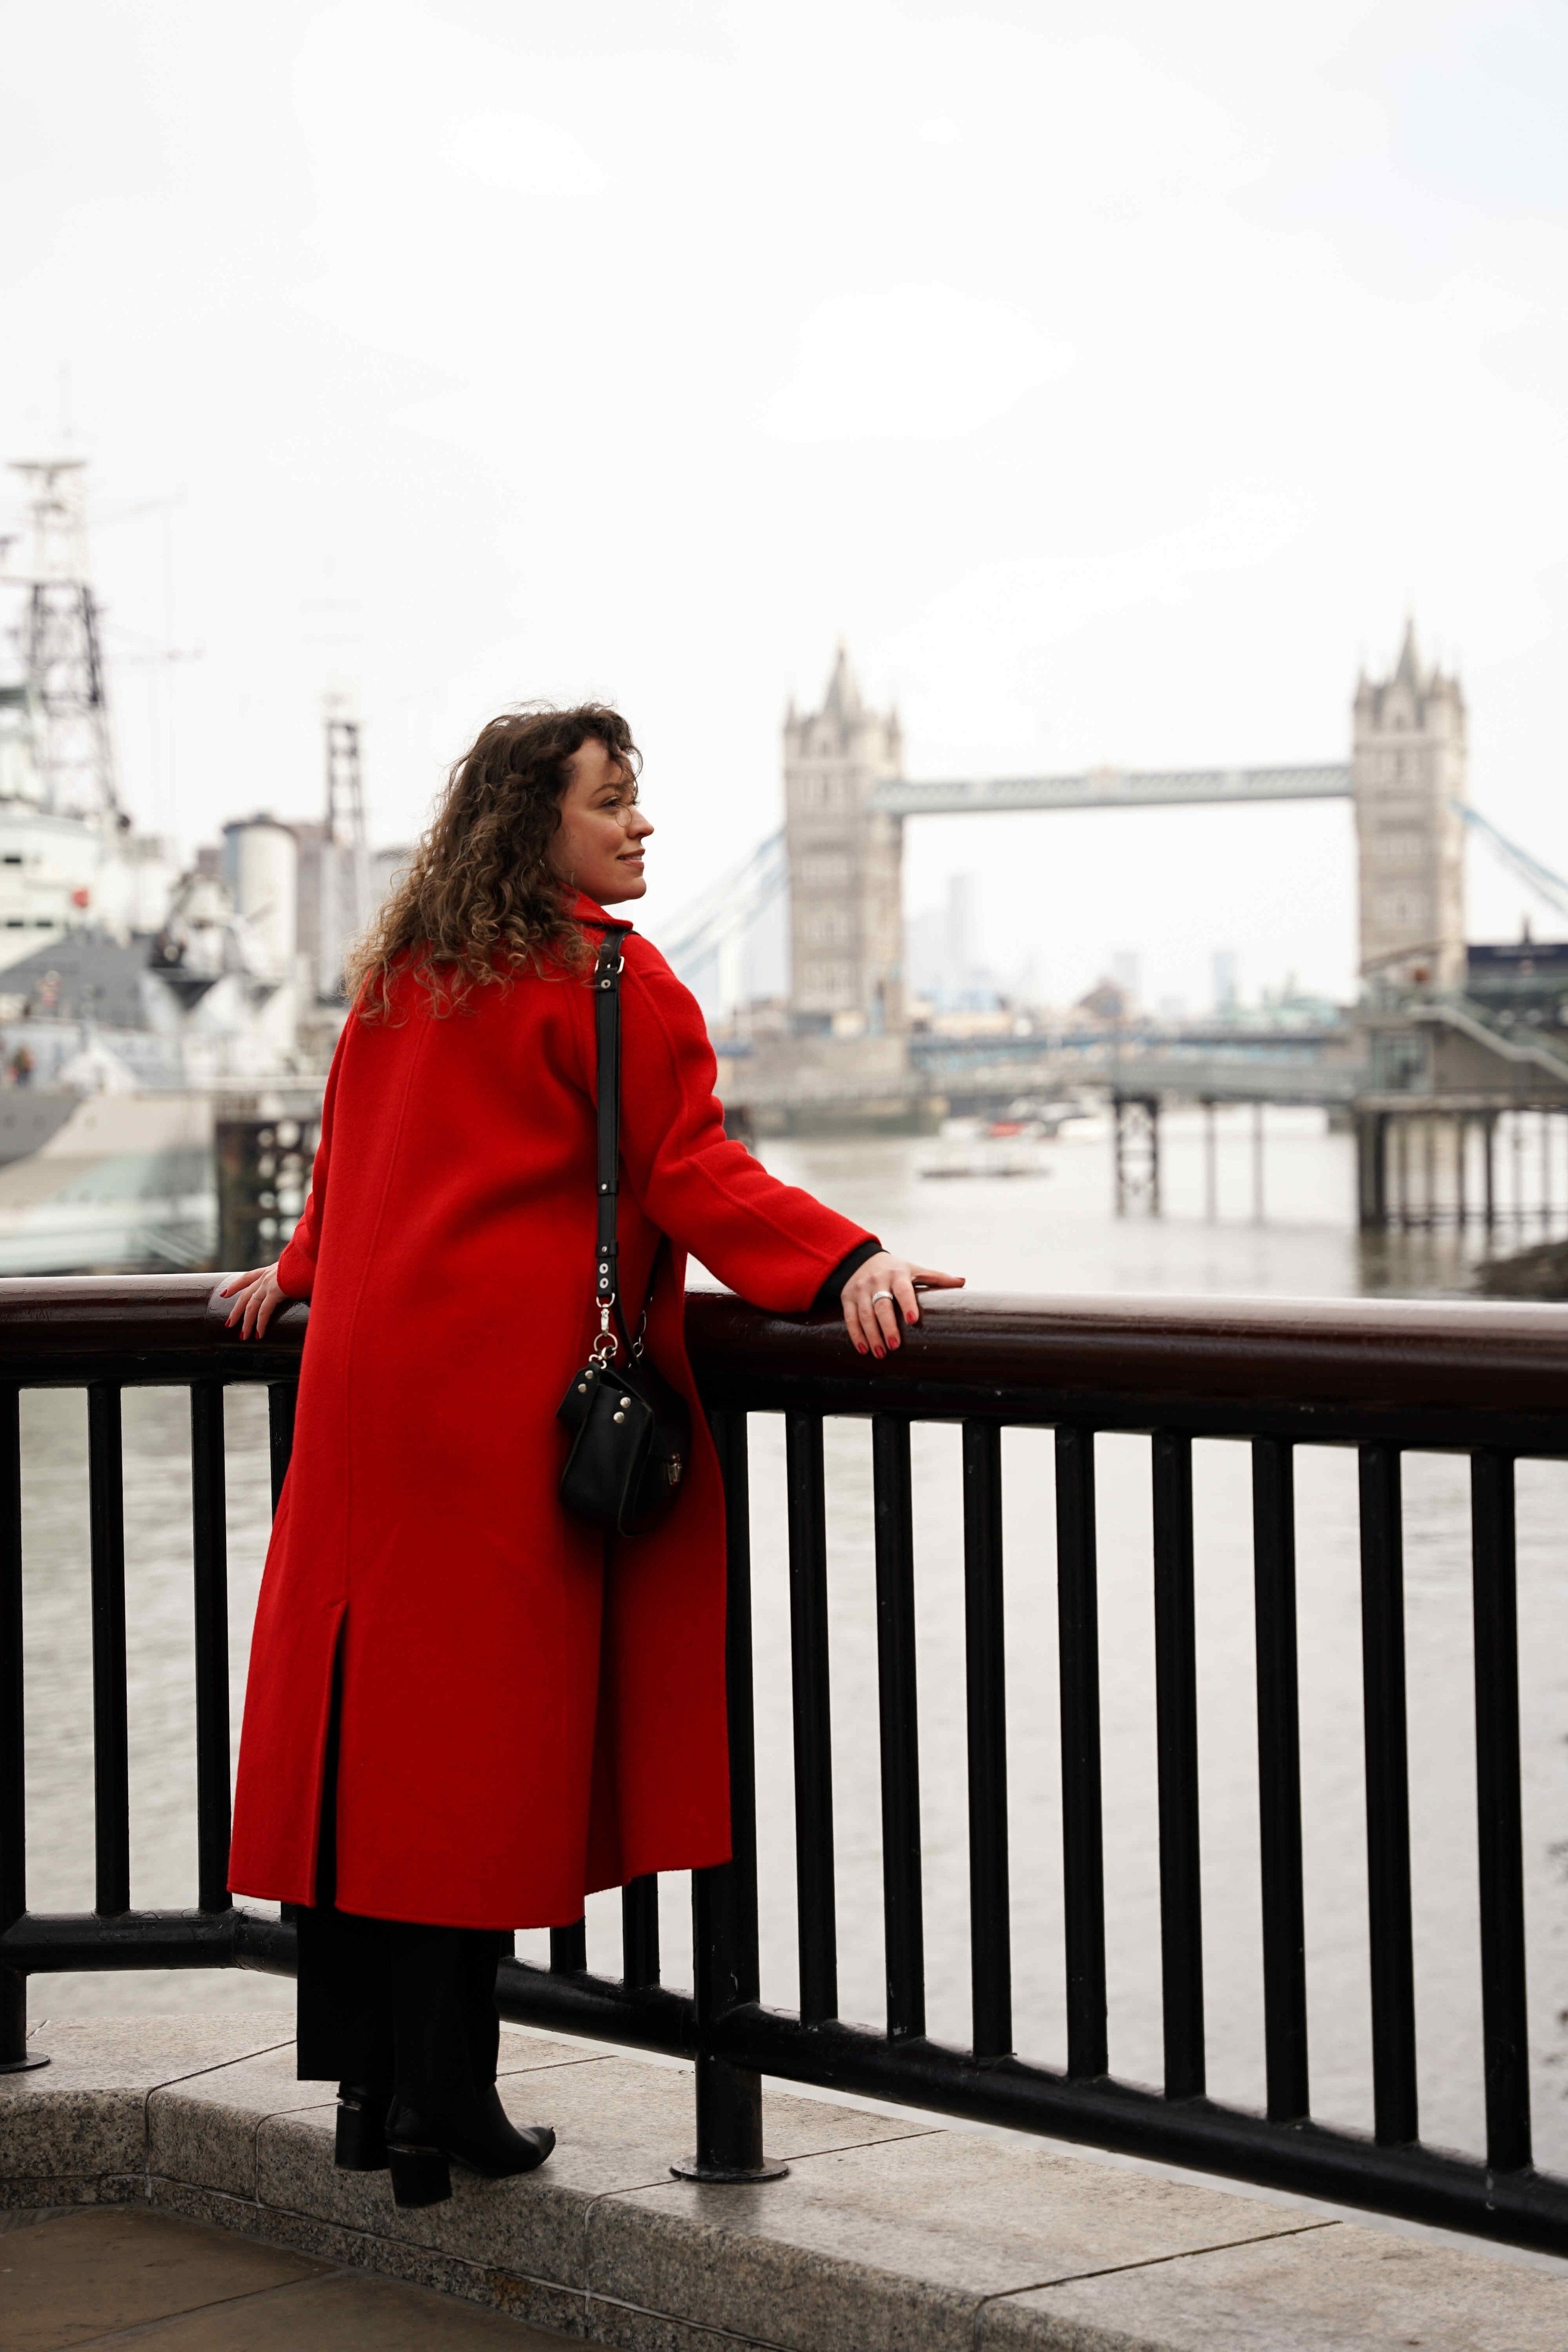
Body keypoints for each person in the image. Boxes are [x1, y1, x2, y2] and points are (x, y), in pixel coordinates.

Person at [222, 704, 962, 2208]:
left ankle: (395, 2104)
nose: (638, 829)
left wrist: (297, 1271)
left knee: (383, 1757)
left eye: (637, 803)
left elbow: (357, 1163)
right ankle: (447, 2104)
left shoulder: (403, 983)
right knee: (472, 1770)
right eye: (608, 804)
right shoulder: (610, 976)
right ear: (534, 825)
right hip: (499, 1421)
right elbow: (690, 1165)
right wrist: (844, 1263)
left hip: (369, 1413)